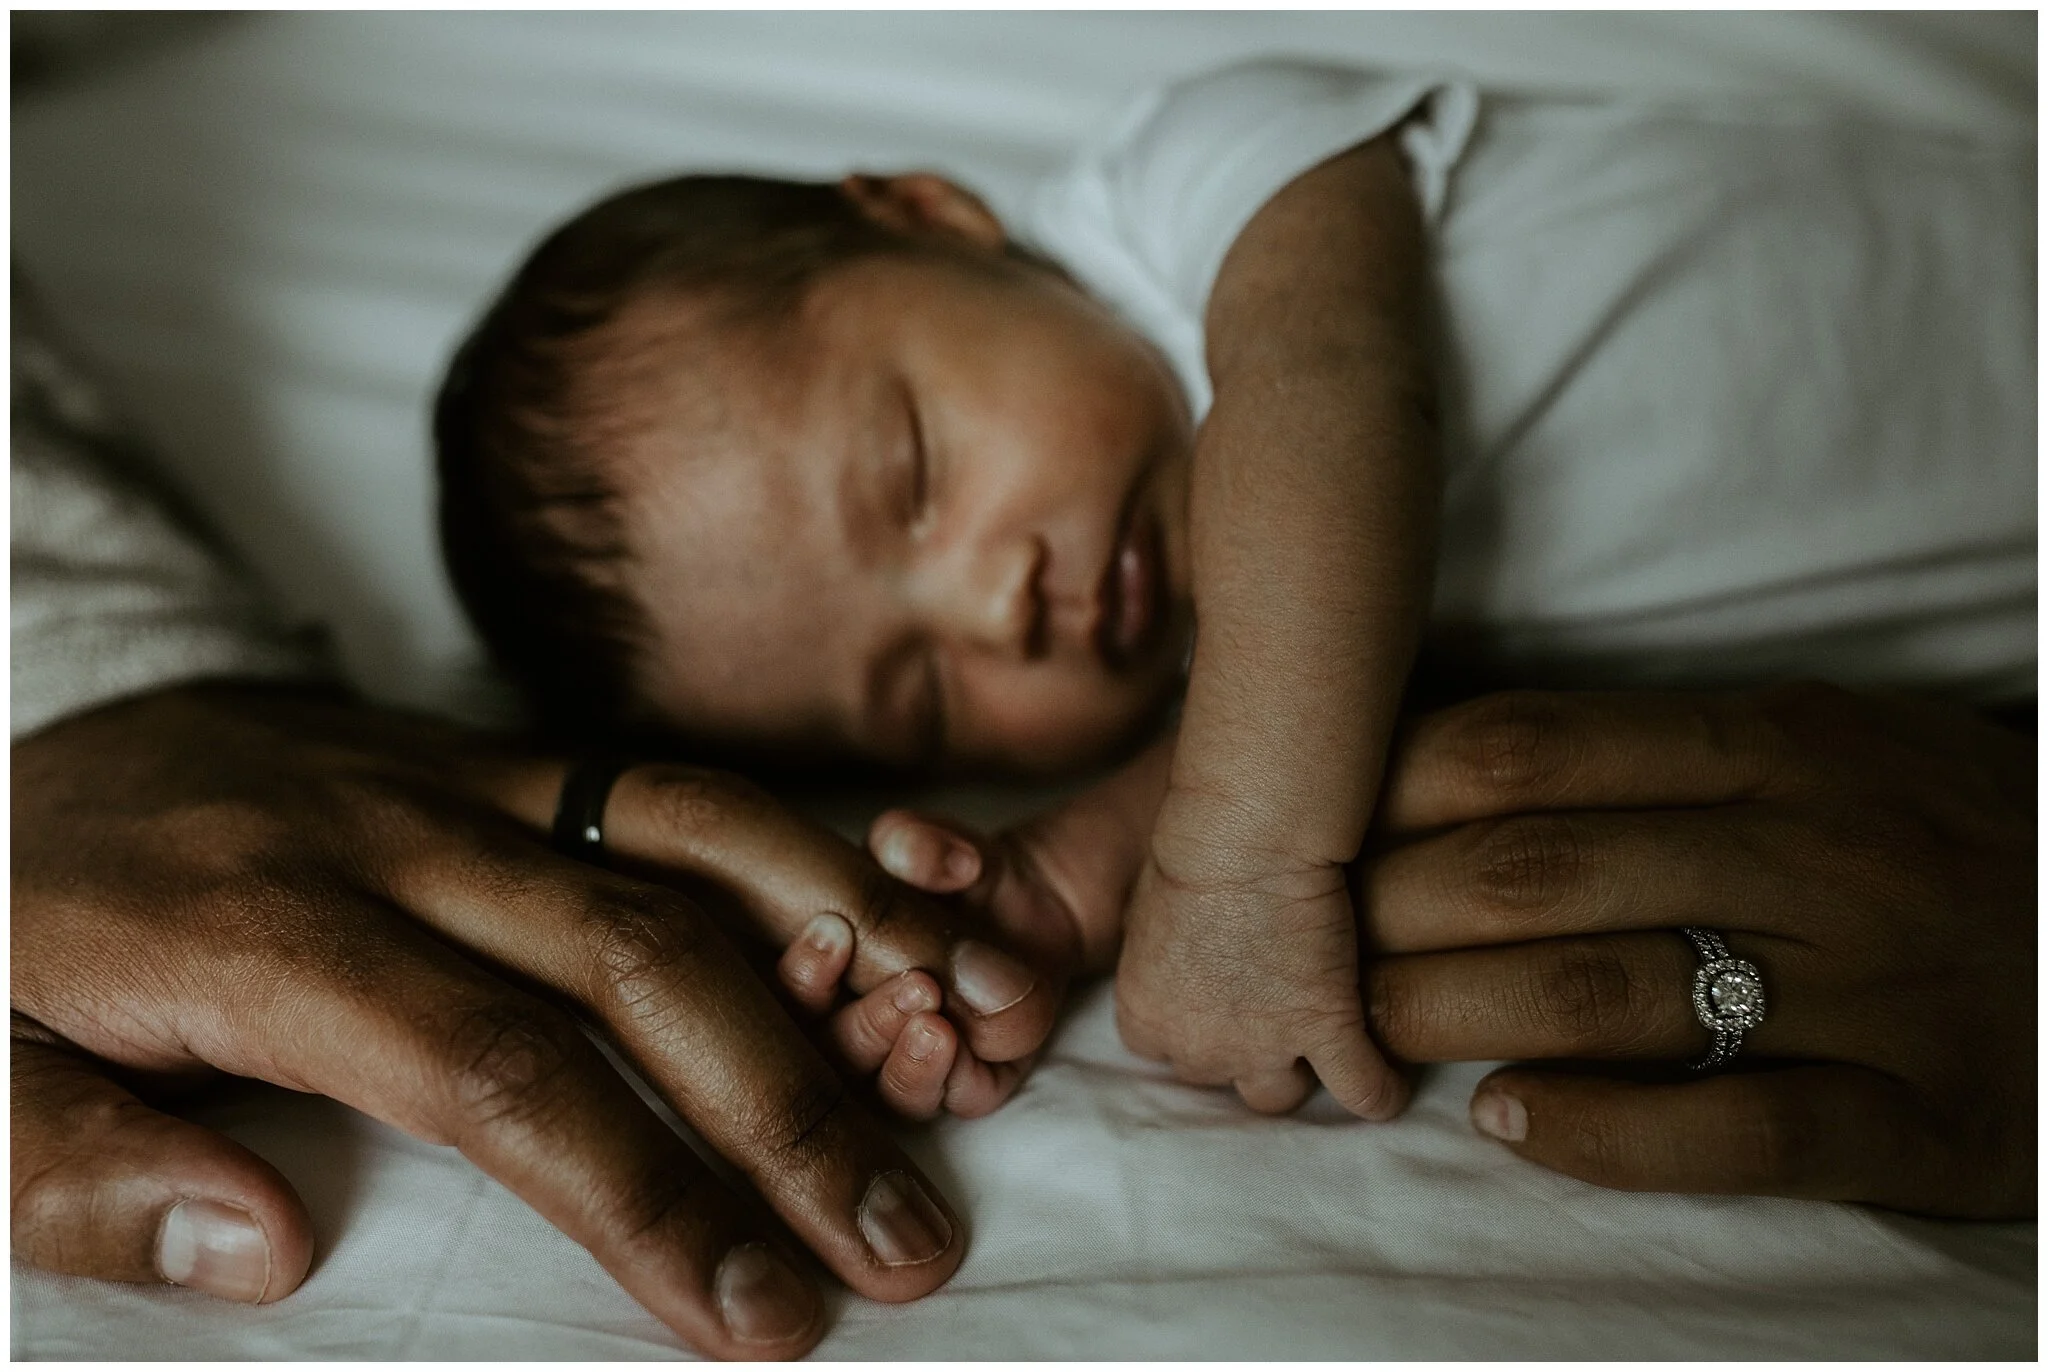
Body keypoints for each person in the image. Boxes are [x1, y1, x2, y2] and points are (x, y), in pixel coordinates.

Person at [432, 61, 2032, 1116]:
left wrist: (1237, 864)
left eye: (915, 474)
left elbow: (1329, 394)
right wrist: (1061, 892)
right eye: (921, 696)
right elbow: (1324, 695)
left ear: (931, 220)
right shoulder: (1259, 675)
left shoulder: (1198, 185)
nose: (998, 607)